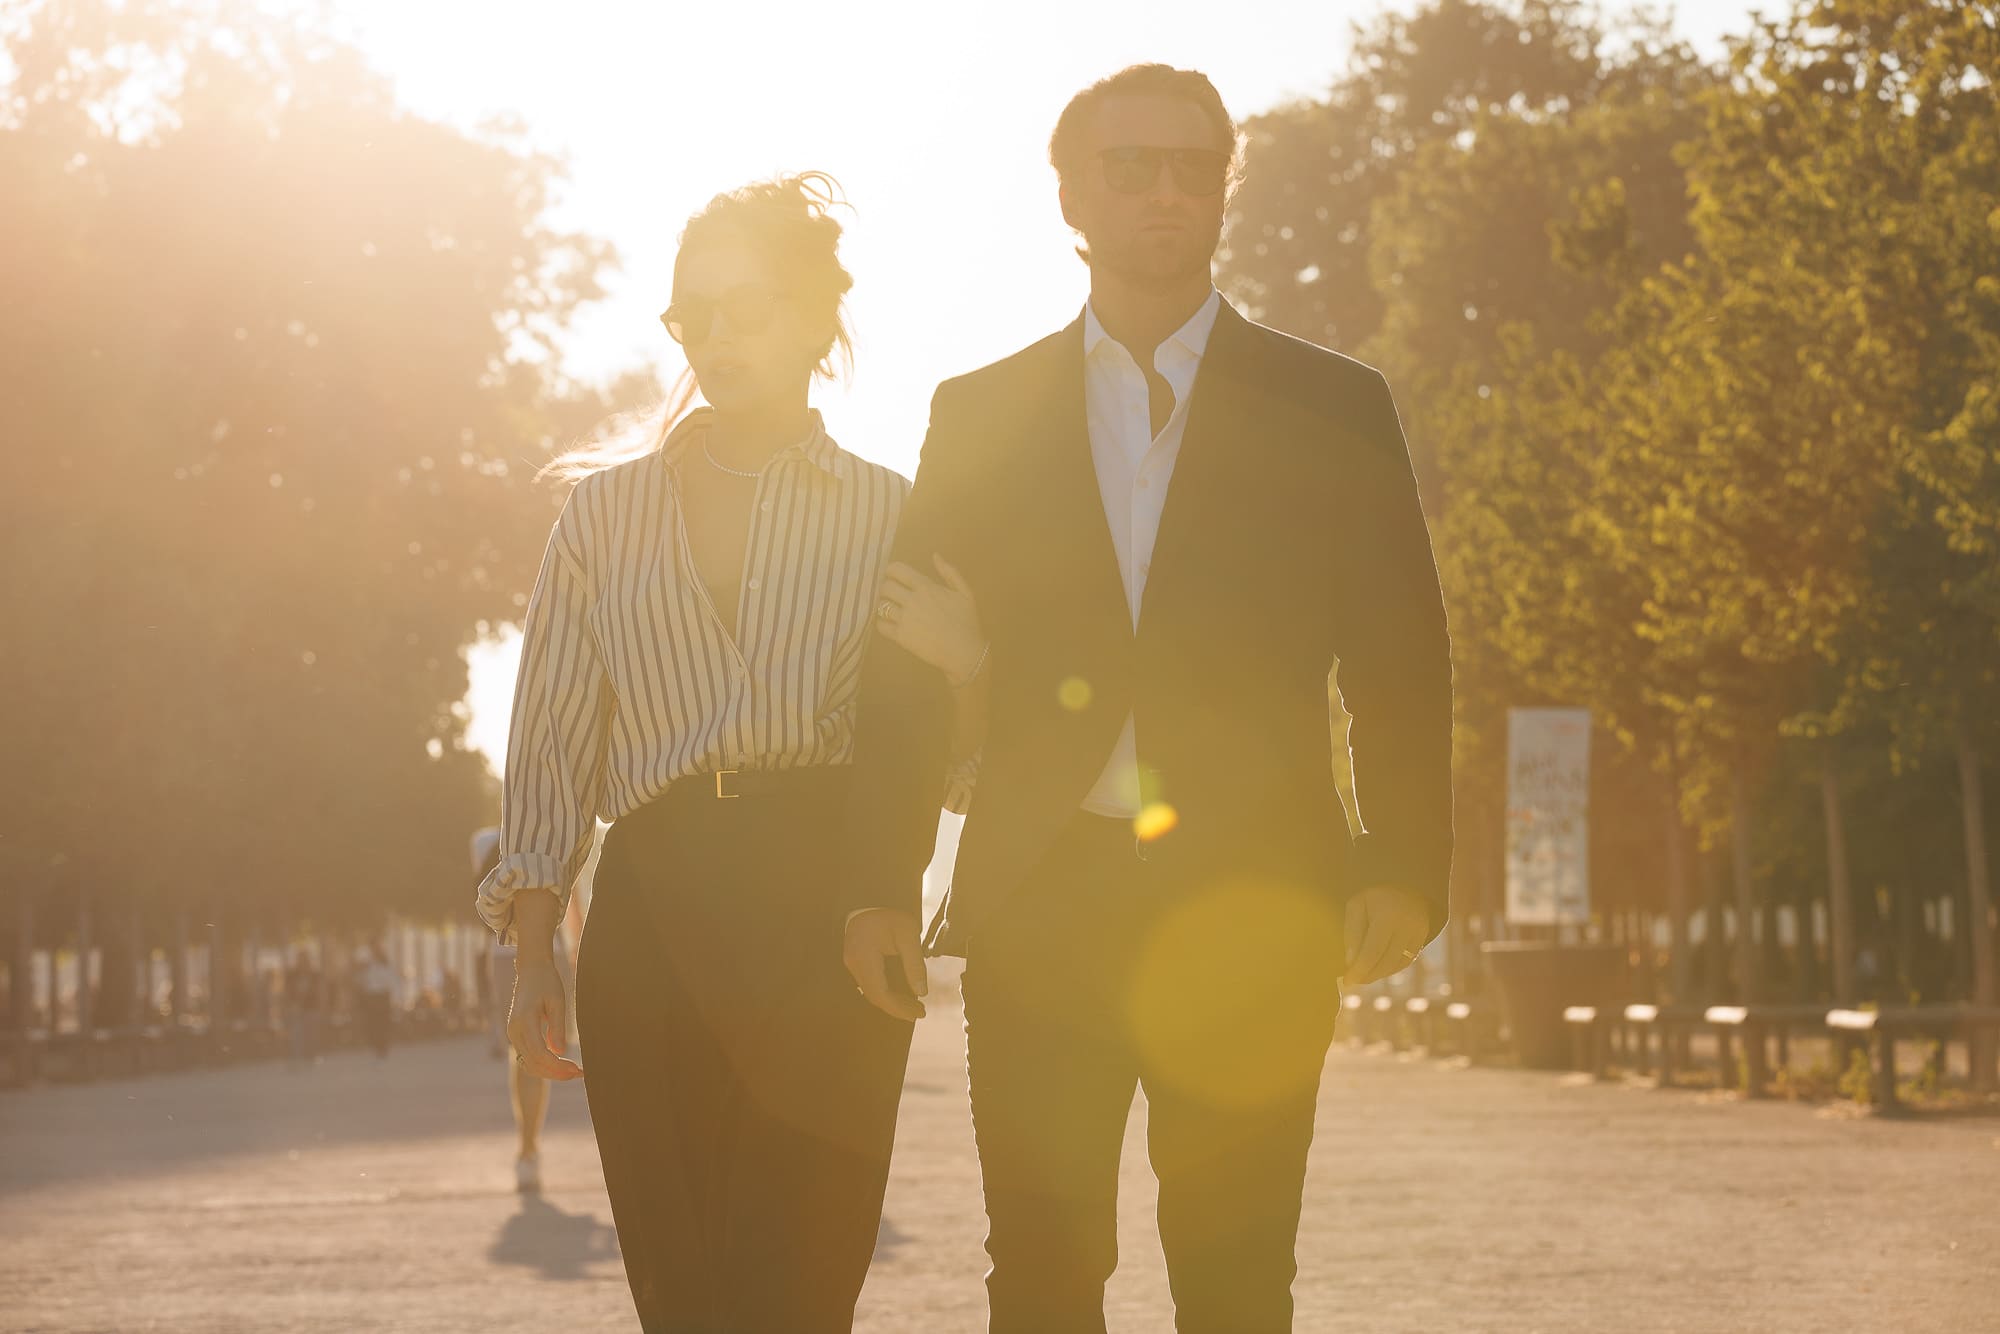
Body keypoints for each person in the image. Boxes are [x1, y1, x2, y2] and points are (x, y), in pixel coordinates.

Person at [842, 64, 1455, 1332]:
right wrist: (875, 879)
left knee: (1237, 1277)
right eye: (1131, 164)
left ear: (1223, 186)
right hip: (1037, 897)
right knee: (1045, 1274)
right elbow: (905, 665)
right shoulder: (979, 410)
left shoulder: (1332, 404)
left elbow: (1399, 655)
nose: (1166, 190)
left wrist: (1399, 862)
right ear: (1068, 190)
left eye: (1193, 165)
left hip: (1255, 901)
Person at [477, 174, 966, 1332]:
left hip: (829, 900)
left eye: (744, 306)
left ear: (814, 317)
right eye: (693, 313)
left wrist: (970, 666)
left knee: (802, 1271)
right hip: (653, 908)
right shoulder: (600, 518)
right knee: (683, 1282)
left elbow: (932, 747)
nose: (716, 335)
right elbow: (545, 738)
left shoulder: (890, 512)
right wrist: (534, 953)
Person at [472, 824, 568, 1193]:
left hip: (505, 953)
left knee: (526, 1053)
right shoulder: (550, 829)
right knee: (533, 1051)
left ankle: (527, 1148)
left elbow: (483, 907)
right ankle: (529, 1148)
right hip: (544, 950)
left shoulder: (482, 842)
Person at [282, 948, 324, 1068]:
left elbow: (319, 991)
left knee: (311, 1033)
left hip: (311, 1007)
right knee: (296, 1034)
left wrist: (320, 1005)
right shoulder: (292, 974)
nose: (303, 961)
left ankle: (311, 1056)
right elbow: (287, 991)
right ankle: (296, 1058)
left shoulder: (314, 974)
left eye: (305, 959)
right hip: (296, 1007)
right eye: (300, 959)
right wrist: (290, 1005)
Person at [356, 943, 396, 1058]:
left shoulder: (385, 966)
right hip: (372, 997)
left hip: (382, 996)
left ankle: (383, 1048)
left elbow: (391, 982)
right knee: (373, 1023)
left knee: (383, 1024)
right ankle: (377, 1046)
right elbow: (363, 981)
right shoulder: (368, 967)